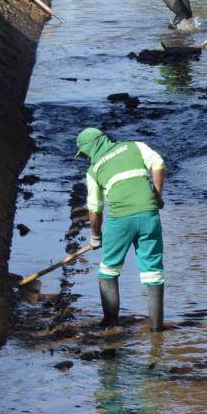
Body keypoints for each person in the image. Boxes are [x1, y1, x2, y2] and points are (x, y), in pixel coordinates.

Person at [75, 127, 167, 331]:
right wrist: (158, 195)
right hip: (150, 215)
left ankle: (110, 322)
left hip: (120, 220)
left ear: (90, 149)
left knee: (108, 269)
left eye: (85, 154)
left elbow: (95, 209)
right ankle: (156, 328)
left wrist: (95, 236)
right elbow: (158, 163)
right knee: (153, 270)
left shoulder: (94, 170)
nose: (86, 158)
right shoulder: (135, 146)